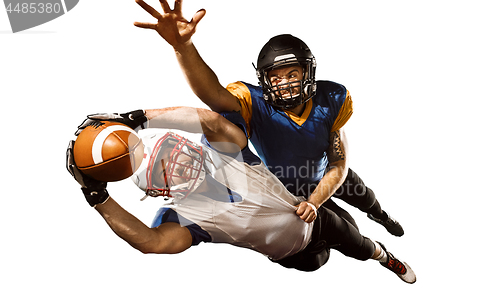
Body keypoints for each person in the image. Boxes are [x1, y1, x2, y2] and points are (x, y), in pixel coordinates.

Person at [132, 0, 404, 236]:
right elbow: (213, 96)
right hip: (285, 186)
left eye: (291, 74)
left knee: (366, 197)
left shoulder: (333, 97)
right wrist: (184, 46)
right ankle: (373, 247)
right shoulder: (252, 100)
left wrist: (318, 197)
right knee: (343, 228)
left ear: (307, 73)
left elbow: (338, 164)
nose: (283, 83)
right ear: (264, 81)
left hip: (327, 174)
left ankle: (381, 216)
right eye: (275, 77)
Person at [67, 107, 416, 283]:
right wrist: (98, 198)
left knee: (354, 240)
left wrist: (138, 118)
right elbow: (151, 242)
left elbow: (208, 120)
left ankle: (383, 255)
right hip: (291, 252)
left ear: (182, 141)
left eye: (171, 150)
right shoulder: (184, 214)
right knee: (317, 264)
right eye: (162, 169)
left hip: (310, 216)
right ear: (159, 192)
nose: (174, 162)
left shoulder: (221, 151)